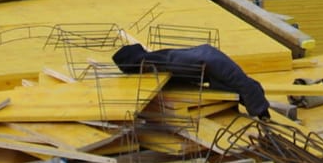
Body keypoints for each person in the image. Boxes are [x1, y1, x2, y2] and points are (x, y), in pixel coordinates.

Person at [112, 43, 270, 119]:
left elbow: (246, 87)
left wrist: (261, 113)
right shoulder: (159, 62)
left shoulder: (161, 60)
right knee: (240, 87)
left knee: (238, 87)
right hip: (208, 61)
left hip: (211, 62)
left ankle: (259, 109)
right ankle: (259, 109)